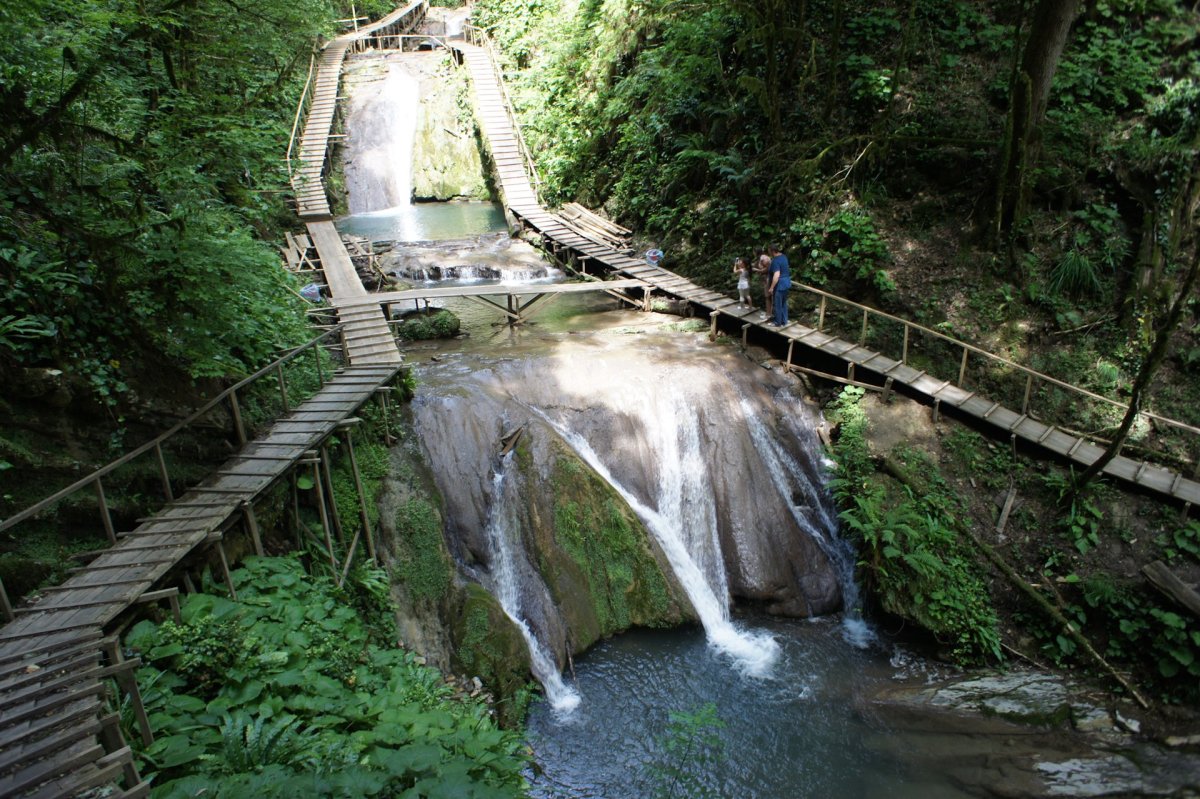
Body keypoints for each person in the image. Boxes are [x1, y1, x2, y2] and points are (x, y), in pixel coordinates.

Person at [767, 243, 791, 327]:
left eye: (769, 251)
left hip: (780, 285)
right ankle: (784, 321)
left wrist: (771, 287)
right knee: (784, 303)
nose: (768, 252)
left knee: (778, 304)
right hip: (786, 283)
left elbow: (776, 275)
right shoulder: (784, 256)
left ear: (772, 251)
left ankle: (777, 322)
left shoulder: (775, 260)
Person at [755, 251, 772, 317]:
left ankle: (768, 314)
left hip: (768, 279)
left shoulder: (763, 258)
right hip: (767, 279)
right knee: (768, 297)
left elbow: (767, 269)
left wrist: (757, 270)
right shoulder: (763, 258)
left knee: (767, 297)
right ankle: (769, 313)